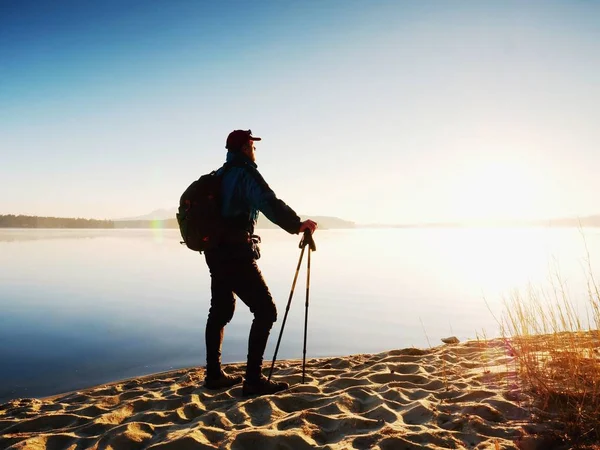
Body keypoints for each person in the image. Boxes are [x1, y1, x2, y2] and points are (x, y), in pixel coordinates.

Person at [202, 129, 318, 396]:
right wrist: (296, 224)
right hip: (235, 252)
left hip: (214, 252)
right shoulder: (244, 173)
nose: (255, 150)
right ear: (245, 148)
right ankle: (253, 380)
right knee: (266, 311)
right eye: (253, 145)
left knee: (220, 310)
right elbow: (268, 201)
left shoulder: (219, 175)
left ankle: (214, 374)